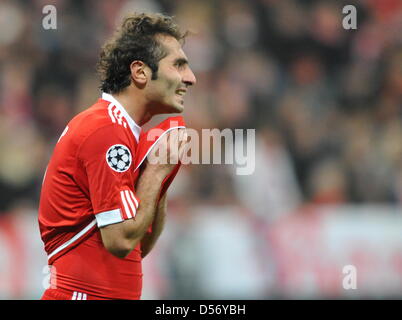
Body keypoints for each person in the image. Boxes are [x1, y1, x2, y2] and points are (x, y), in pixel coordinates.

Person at [38, 12, 196, 300]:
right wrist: (157, 171)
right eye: (179, 65)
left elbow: (138, 244)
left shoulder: (123, 131)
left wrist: (159, 180)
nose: (191, 78)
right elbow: (120, 239)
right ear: (140, 72)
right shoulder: (105, 129)